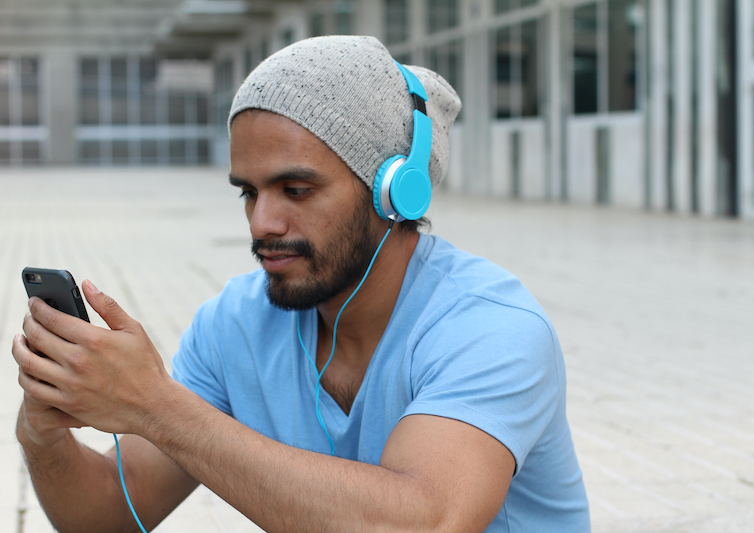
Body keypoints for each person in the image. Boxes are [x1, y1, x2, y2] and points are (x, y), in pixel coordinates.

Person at [12, 36, 590, 532]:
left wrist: (156, 406)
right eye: (249, 192)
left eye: (296, 190)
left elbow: (426, 519)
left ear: (394, 192)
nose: (262, 223)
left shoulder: (491, 328)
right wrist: (42, 436)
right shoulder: (236, 324)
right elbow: (109, 513)